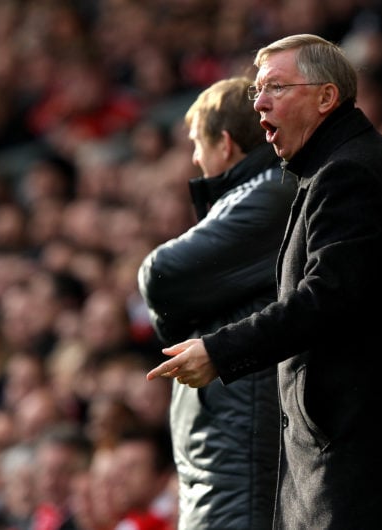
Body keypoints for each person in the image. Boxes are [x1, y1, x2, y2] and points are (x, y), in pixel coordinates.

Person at [147, 33, 382, 529]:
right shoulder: (336, 169)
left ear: (327, 97)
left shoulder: (350, 174)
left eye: (276, 88)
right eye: (258, 91)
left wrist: (220, 351)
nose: (259, 103)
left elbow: (327, 297)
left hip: (374, 473)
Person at [138, 76, 294, 528]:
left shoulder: (270, 193)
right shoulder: (256, 194)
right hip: (228, 445)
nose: (193, 158)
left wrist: (187, 314)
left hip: (241, 447)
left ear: (225, 144)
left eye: (196, 143)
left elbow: (160, 278)